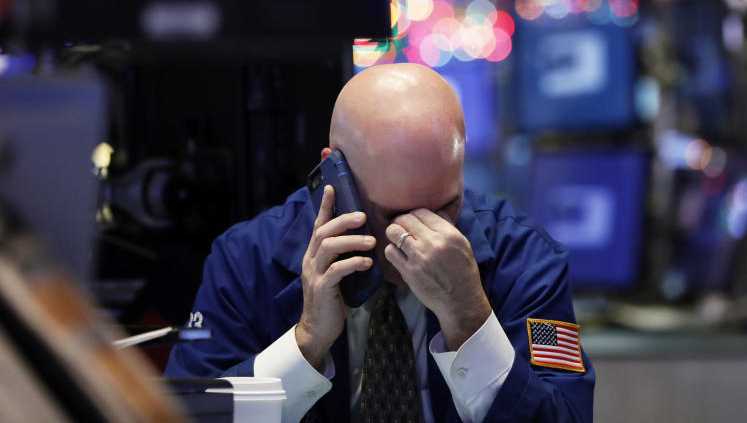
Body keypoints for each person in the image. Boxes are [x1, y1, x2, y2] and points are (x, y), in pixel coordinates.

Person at [164, 63, 595, 422]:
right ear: (335, 174)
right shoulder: (247, 260)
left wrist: (469, 321)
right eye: (395, 216)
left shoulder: (525, 259)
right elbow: (188, 414)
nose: (426, 239)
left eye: (447, 206)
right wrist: (306, 343)